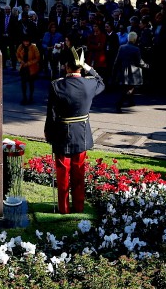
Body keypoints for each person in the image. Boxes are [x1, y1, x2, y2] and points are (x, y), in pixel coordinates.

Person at [45, 48, 105, 214]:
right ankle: (78, 206)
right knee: (79, 173)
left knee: (63, 173)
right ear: (80, 67)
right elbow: (101, 81)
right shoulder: (90, 84)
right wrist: (88, 67)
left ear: (66, 67)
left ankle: (64, 208)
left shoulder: (57, 85)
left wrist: (48, 133)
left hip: (62, 134)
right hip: (82, 134)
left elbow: (51, 113)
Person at [112, 31, 148, 112]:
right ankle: (119, 103)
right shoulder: (136, 49)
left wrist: (114, 72)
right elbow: (139, 62)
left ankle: (130, 101)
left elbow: (117, 61)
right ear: (135, 39)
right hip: (133, 72)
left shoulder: (122, 47)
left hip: (123, 70)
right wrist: (146, 65)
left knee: (127, 88)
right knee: (130, 89)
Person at [16, 36, 41, 104]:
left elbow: (37, 58)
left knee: (31, 83)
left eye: (27, 41)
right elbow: (17, 55)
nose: (26, 43)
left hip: (31, 68)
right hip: (23, 67)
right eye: (24, 41)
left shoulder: (33, 47)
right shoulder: (21, 46)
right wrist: (21, 61)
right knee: (23, 83)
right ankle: (24, 97)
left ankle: (31, 97)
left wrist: (29, 63)